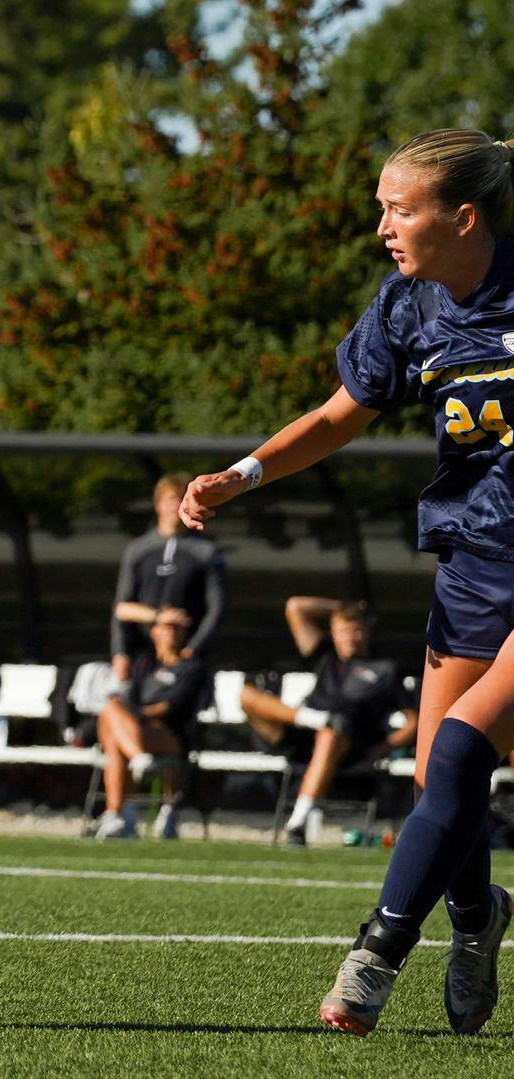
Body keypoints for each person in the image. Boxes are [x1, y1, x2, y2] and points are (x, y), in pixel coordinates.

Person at [179, 129, 514, 1037]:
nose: (382, 226)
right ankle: (480, 918)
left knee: (457, 751)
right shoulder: (410, 306)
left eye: (399, 209)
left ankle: (376, 953)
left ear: (464, 216)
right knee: (437, 784)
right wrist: (240, 474)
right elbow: (338, 415)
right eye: (381, 206)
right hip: (475, 563)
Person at [241, 599, 418, 846]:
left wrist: (383, 748)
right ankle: (314, 718)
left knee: (329, 734)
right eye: (342, 630)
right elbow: (295, 607)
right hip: (304, 732)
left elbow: (413, 722)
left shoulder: (386, 670)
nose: (348, 637)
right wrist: (340, 607)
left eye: (355, 629)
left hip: (349, 745)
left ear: (367, 631)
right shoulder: (324, 656)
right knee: (247, 694)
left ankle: (296, 824)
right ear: (333, 631)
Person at [92, 607, 203, 841]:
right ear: (153, 632)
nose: (170, 633)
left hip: (170, 735)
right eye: (165, 627)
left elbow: (171, 707)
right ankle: (122, 808)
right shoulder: (144, 663)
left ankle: (118, 814)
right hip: (137, 733)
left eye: (176, 628)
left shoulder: (190, 668)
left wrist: (136, 716)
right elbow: (120, 613)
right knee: (113, 730)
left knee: (114, 725)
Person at [111, 474, 227, 682]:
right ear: (158, 505)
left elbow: (217, 608)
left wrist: (192, 650)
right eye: (171, 499)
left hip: (187, 660)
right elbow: (122, 608)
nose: (176, 505)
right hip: (142, 658)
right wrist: (120, 654)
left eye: (182, 498)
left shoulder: (206, 552)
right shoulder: (138, 550)